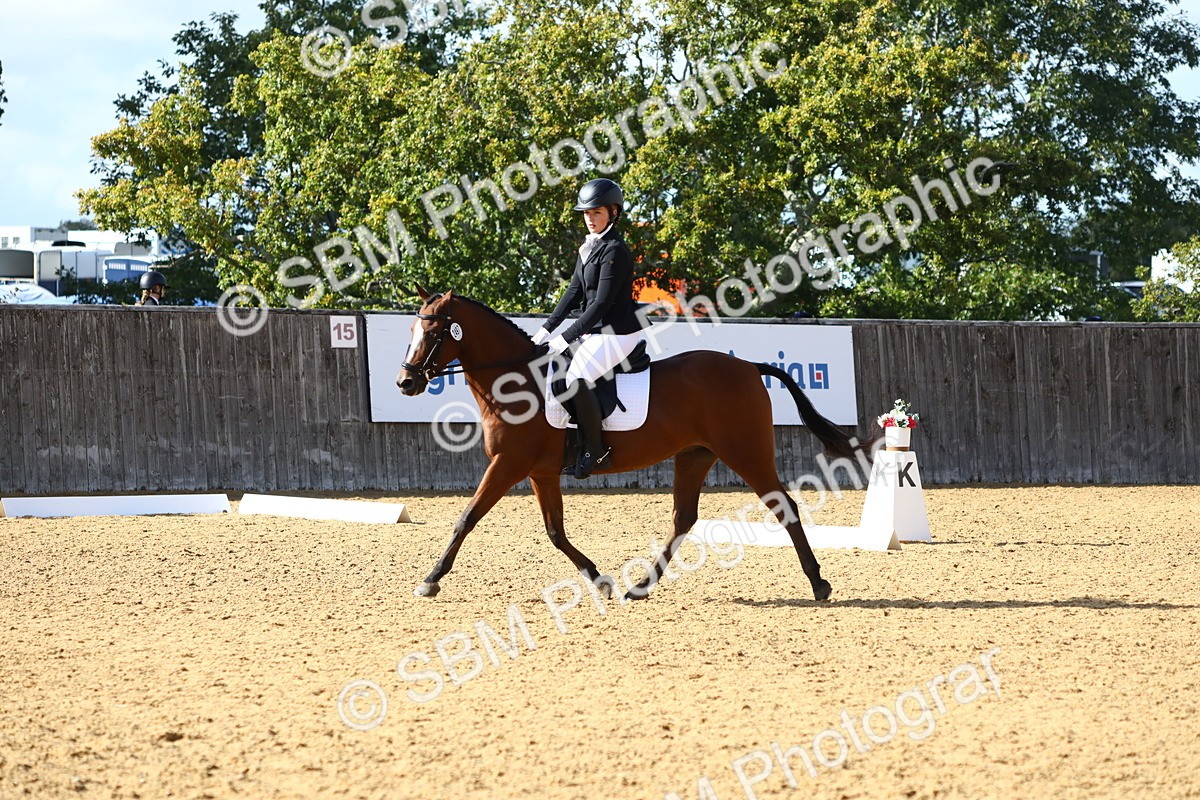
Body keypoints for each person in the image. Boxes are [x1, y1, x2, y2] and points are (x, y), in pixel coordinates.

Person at [532, 178, 650, 479]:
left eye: (596, 213)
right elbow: (573, 293)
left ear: (613, 212)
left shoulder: (615, 251)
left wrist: (565, 338)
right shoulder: (589, 247)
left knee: (576, 376)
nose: (590, 219)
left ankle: (596, 450)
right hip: (595, 329)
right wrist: (546, 329)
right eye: (586, 213)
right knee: (556, 376)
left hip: (619, 331)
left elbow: (599, 304)